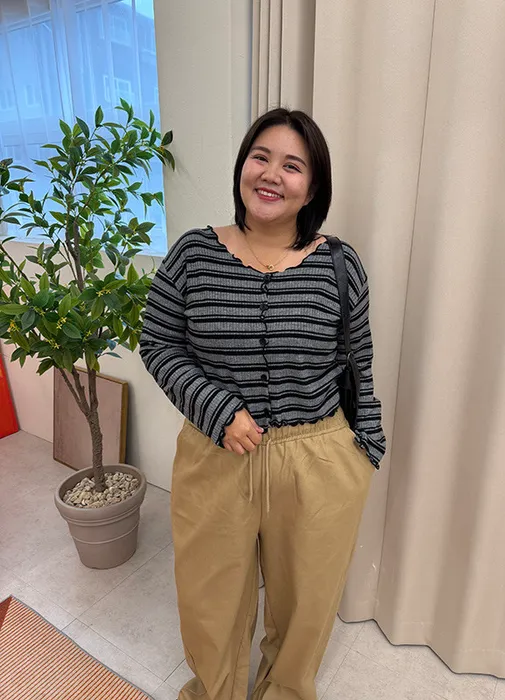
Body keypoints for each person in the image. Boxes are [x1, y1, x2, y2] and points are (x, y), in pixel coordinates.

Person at [139, 108, 386, 700]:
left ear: (313, 188)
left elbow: (358, 362)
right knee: (210, 600)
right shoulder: (194, 254)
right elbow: (158, 341)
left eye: (292, 166)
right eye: (261, 157)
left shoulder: (339, 264)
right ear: (242, 168)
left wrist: (366, 449)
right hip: (215, 457)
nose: (272, 174)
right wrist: (216, 409)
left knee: (306, 607)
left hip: (318, 459)